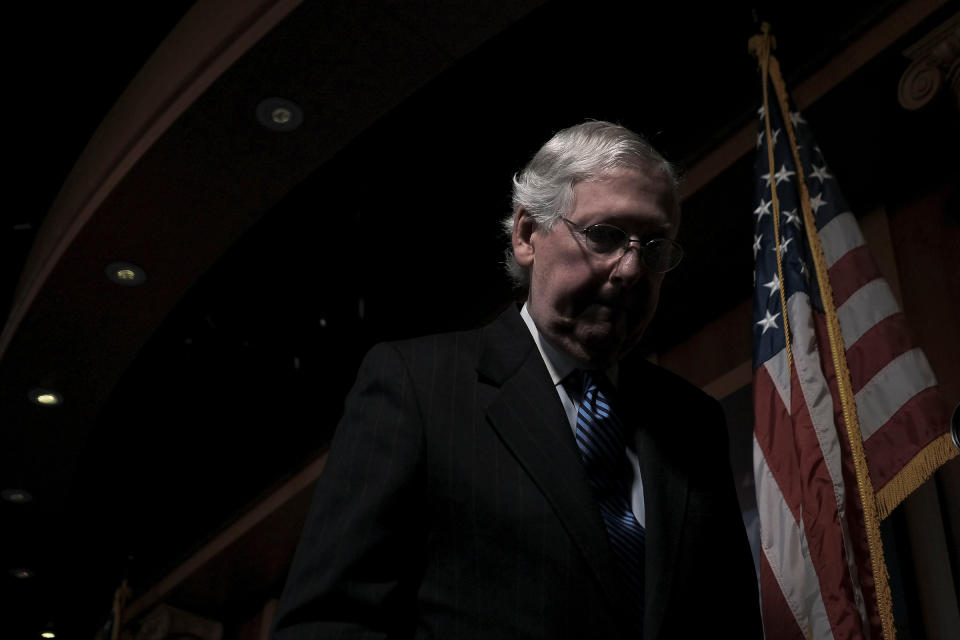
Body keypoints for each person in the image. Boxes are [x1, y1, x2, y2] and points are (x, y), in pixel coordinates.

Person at [272, 121, 761, 639]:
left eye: (654, 247)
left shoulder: (693, 424)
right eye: (605, 236)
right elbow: (328, 622)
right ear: (528, 235)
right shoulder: (416, 386)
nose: (631, 270)